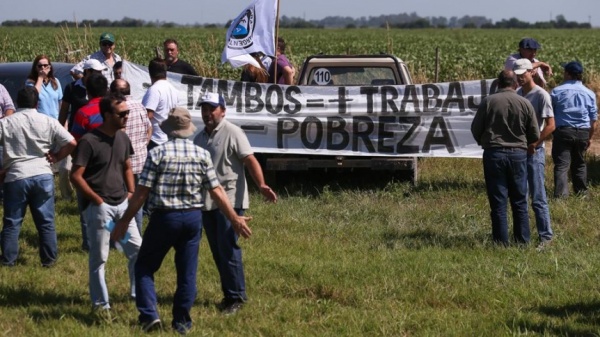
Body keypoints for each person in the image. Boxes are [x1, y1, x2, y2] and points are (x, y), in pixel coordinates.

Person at [110, 106, 252, 334]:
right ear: (187, 130)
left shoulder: (157, 154)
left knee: (145, 266)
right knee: (187, 272)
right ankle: (182, 323)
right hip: (193, 218)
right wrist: (234, 218)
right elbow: (217, 191)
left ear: (168, 130)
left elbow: (141, 193)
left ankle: (149, 315)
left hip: (165, 217)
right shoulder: (201, 154)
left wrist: (124, 221)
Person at [194, 93, 277, 314]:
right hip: (207, 203)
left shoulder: (233, 132)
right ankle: (228, 294)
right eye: (204, 108)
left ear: (223, 110)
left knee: (229, 248)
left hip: (230, 202)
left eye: (212, 108)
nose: (207, 113)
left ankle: (237, 298)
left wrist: (261, 185)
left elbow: (249, 159)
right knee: (217, 251)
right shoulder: (200, 137)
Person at [70, 93, 142, 317]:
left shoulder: (122, 137)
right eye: (122, 114)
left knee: (137, 250)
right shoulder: (89, 141)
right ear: (107, 115)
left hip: (122, 207)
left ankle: (137, 294)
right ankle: (101, 305)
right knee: (99, 258)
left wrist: (130, 192)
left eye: (127, 113)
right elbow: (76, 175)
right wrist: (96, 200)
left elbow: (127, 166)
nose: (127, 117)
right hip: (100, 210)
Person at [0, 87, 76, 267]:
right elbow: (72, 142)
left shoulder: (6, 122)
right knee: (46, 221)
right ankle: (49, 260)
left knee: (12, 222)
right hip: (42, 174)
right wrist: (57, 157)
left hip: (16, 175)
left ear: (17, 103)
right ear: (37, 103)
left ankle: (8, 260)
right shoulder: (47, 121)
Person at [471, 70, 540, 246]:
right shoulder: (525, 103)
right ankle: (522, 242)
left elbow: (475, 128)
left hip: (494, 153)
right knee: (519, 200)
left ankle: (501, 243)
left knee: (498, 201)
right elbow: (534, 134)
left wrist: (484, 141)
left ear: (498, 83)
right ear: (515, 83)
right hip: (518, 154)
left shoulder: (488, 102)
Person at [513, 58, 555, 248]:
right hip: (520, 150)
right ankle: (523, 237)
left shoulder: (541, 95)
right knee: (521, 195)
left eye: (523, 74)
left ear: (531, 72)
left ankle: (546, 237)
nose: (520, 77)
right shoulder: (517, 94)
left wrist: (536, 143)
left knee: (538, 196)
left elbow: (551, 125)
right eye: (517, 74)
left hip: (534, 151)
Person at [58, 59, 107, 202]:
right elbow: (64, 111)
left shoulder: (102, 88)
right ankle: (69, 197)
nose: (99, 75)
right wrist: (61, 132)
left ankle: (91, 196)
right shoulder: (72, 88)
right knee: (67, 168)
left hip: (95, 135)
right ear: (87, 72)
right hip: (75, 134)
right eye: (96, 72)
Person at [110, 79, 152, 233]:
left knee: (119, 202)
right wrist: (143, 145)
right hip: (140, 160)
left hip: (122, 163)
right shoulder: (140, 106)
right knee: (137, 200)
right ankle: (137, 235)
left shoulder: (116, 108)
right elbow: (149, 128)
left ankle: (121, 236)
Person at [551, 61, 598, 198]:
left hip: (564, 131)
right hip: (583, 132)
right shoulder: (589, 93)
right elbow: (593, 119)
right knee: (580, 164)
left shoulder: (556, 91)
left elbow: (549, 113)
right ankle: (581, 193)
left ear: (567, 73)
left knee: (561, 165)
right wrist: (589, 137)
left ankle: (561, 196)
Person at [142, 58, 179, 149]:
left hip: (155, 139)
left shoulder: (154, 89)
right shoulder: (173, 89)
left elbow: (148, 115)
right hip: (168, 137)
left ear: (150, 73)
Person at [25, 55, 62, 119]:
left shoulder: (55, 81)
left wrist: (64, 122)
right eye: (40, 66)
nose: (42, 68)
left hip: (55, 121)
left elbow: (60, 103)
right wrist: (41, 77)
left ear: (49, 67)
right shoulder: (30, 83)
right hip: (40, 121)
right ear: (36, 68)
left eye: (45, 65)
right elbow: (33, 96)